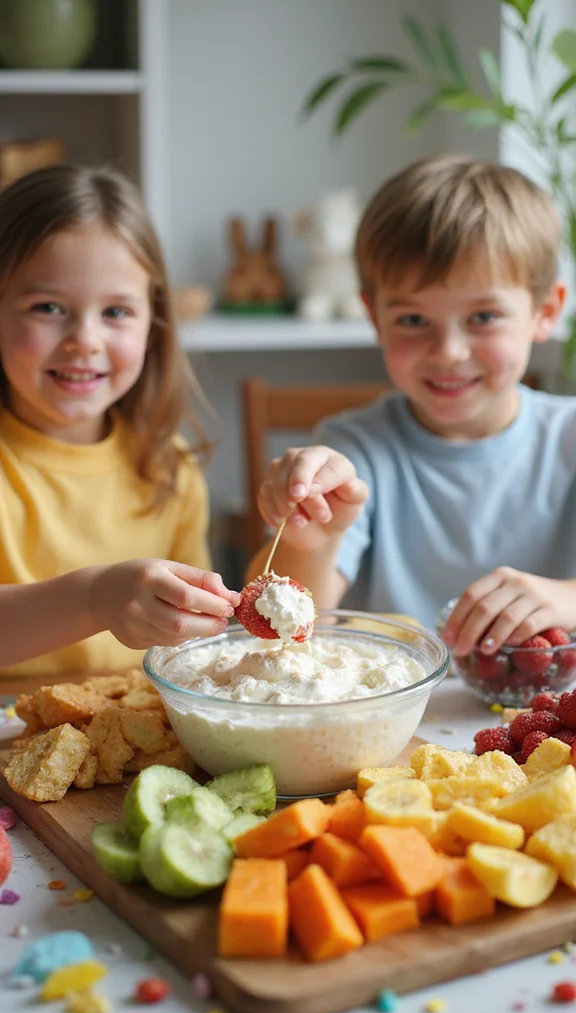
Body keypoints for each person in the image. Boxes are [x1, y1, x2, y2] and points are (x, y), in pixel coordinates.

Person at [249, 154, 576, 660]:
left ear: (545, 312)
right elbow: (278, 626)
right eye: (414, 320)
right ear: (374, 317)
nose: (448, 352)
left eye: (484, 316)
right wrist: (312, 541)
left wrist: (567, 598)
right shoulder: (353, 450)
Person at [0, 164, 238, 679]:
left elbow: (193, 647)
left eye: (115, 312)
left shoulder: (169, 466)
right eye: (48, 307)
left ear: (153, 327)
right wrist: (93, 599)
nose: (85, 340)